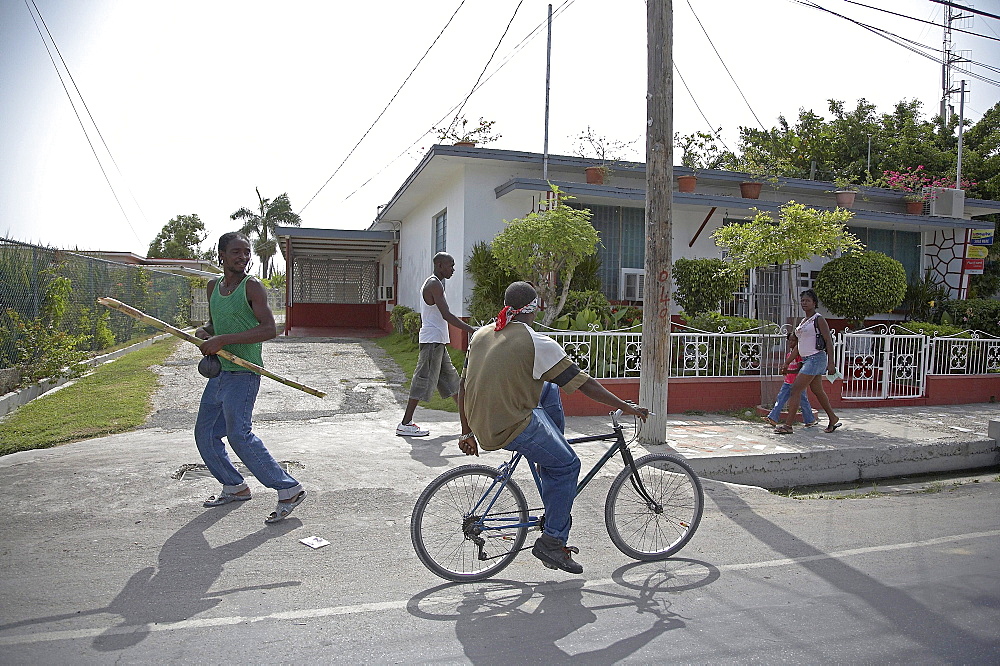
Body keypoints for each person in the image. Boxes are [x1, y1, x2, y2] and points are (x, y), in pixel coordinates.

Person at [457, 281, 649, 574]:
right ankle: (552, 542)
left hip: (479, 419)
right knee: (569, 465)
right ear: (535, 308)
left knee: (549, 388)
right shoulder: (537, 343)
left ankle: (552, 455)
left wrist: (466, 431)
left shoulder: (482, 333)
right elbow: (584, 383)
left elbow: (462, 385)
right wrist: (625, 406)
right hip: (508, 425)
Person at [194, 232, 306, 524]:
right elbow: (214, 322)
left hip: (243, 372)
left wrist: (223, 339)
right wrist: (206, 332)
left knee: (238, 434)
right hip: (219, 371)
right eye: (236, 252)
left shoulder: (252, 286)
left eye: (246, 253)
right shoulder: (213, 287)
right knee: (205, 433)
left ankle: (289, 489)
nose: (243, 257)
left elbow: (270, 328)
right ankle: (234, 486)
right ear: (221, 254)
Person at [396, 252, 478, 437]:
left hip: (437, 341)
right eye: (451, 265)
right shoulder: (434, 284)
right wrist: (472, 330)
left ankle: (469, 422)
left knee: (452, 382)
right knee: (422, 379)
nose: (453, 269)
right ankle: (405, 423)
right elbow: (446, 315)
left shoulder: (436, 283)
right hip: (432, 341)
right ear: (440, 265)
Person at [775, 289, 841, 434]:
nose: (804, 303)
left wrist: (831, 363)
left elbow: (828, 341)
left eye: (808, 301)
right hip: (807, 360)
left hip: (816, 359)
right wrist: (787, 362)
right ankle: (833, 418)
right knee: (818, 391)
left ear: (814, 303)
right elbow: (799, 346)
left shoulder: (818, 319)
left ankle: (788, 425)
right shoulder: (803, 321)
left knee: (795, 389)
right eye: (803, 300)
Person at [766, 331, 817, 428]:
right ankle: (773, 418)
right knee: (781, 398)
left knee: (803, 401)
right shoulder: (789, 355)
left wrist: (788, 371)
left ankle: (810, 419)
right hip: (788, 381)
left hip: (797, 383)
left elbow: (799, 369)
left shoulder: (799, 355)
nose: (791, 343)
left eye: (793, 341)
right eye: (790, 341)